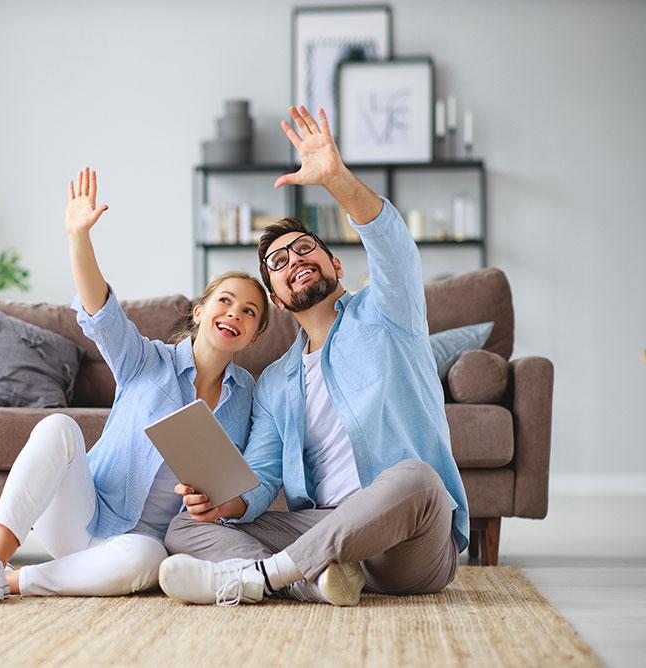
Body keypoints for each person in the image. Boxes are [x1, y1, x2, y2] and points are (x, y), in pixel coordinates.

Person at [159, 106, 470, 607]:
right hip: (325, 530)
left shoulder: (389, 314)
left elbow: (394, 248)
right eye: (278, 264)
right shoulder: (277, 382)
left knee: (420, 479)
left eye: (305, 249)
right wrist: (223, 505)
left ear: (335, 264)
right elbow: (260, 480)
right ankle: (314, 580)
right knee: (183, 530)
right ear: (278, 300)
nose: (294, 261)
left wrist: (336, 179)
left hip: (408, 540)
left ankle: (265, 577)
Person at [0, 167, 270, 602]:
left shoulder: (248, 394)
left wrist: (218, 502)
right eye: (226, 301)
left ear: (254, 335)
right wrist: (78, 236)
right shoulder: (147, 360)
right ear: (199, 311)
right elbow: (100, 311)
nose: (235, 314)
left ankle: (4, 581)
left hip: (139, 546)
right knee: (59, 426)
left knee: (150, 562)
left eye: (250, 312)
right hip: (86, 513)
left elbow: (248, 479)